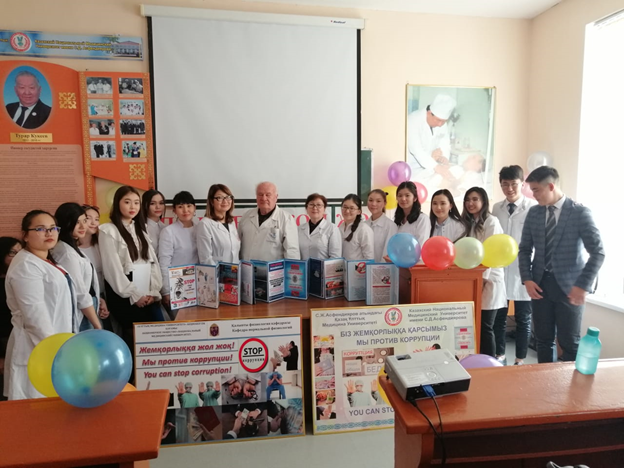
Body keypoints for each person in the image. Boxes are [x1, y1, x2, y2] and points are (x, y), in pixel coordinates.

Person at [519, 166, 604, 363]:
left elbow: (598, 252)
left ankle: (571, 383)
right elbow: (524, 249)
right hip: (540, 285)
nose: (533, 195)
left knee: (569, 342)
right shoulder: (534, 213)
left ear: (551, 186)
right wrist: (527, 279)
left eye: (536, 190)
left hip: (570, 288)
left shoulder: (580, 213)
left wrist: (582, 285)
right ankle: (545, 380)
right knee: (543, 340)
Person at [3, 211, 77, 400]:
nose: (49, 233)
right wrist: (55, 352)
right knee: (36, 408)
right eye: (40, 229)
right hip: (38, 348)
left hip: (55, 343)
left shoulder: (45, 261)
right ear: (25, 235)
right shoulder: (25, 266)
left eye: (53, 228)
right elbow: (35, 316)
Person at [99, 186, 163, 350]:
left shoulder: (140, 228)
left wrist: (153, 292)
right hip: (124, 294)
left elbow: (152, 262)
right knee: (135, 343)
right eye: (127, 202)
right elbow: (112, 269)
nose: (132, 206)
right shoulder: (108, 230)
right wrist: (134, 295)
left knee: (155, 341)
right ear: (117, 203)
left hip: (146, 291)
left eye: (136, 202)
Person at [491, 166, 538, 365]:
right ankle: (500, 355)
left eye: (513, 184)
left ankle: (520, 359)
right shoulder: (496, 208)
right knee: (499, 318)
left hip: (523, 271)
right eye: (505, 184)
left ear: (522, 184)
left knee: (523, 319)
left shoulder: (533, 207)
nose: (509, 188)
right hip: (500, 270)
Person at [462, 187, 507, 358]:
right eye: (468, 200)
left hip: (489, 279)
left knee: (486, 325)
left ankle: (490, 364)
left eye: (475, 199)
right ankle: (479, 360)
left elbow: (490, 252)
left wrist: (481, 279)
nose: (470, 203)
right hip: (474, 279)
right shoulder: (470, 223)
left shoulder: (491, 221)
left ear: (483, 201)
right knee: (477, 324)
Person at [51, 203, 103, 331]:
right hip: (82, 311)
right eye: (76, 222)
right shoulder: (67, 253)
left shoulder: (71, 247)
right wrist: (97, 325)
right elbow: (80, 293)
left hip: (87, 307)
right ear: (66, 223)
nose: (82, 226)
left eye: (84, 221)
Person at [238, 181, 300, 261]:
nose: (264, 198)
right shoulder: (246, 216)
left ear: (276, 197)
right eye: (260, 194)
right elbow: (238, 244)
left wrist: (291, 268)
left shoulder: (286, 219)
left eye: (268, 195)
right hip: (247, 267)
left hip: (273, 269)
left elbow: (292, 252)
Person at [159, 191, 198, 312]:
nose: (185, 210)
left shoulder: (201, 228)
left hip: (199, 284)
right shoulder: (168, 232)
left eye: (189, 206)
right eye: (180, 207)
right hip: (177, 286)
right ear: (174, 210)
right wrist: (166, 291)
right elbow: (164, 262)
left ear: (194, 208)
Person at [406, 94, 456, 186]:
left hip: (431, 166)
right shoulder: (413, 120)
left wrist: (444, 158)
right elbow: (416, 150)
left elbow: (445, 143)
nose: (440, 124)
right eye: (438, 120)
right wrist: (436, 167)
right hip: (413, 168)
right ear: (429, 113)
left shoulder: (441, 122)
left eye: (444, 121)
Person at [78, 205, 113, 332]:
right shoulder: (71, 250)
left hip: (105, 296)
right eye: (88, 218)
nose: (93, 223)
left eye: (97, 219)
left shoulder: (101, 244)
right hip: (85, 298)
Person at [196, 184, 240, 265]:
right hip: (216, 272)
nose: (225, 201)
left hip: (235, 270)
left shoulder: (231, 222)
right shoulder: (205, 224)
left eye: (228, 197)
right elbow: (205, 259)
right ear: (211, 201)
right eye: (219, 198)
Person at [0, 237, 22, 398]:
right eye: (12, 253)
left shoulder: (20, 279)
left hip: (18, 339)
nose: (17, 257)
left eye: (20, 252)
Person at [298, 193, 341, 260]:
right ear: (306, 208)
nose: (315, 208)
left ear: (324, 209)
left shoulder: (332, 229)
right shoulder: (299, 229)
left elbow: (335, 257)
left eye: (319, 205)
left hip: (324, 266)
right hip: (303, 266)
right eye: (311, 204)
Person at [394, 181, 431, 249]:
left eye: (407, 195)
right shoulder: (398, 220)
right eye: (400, 196)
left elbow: (421, 245)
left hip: (415, 256)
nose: (403, 199)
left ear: (415, 198)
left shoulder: (422, 219)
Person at [364, 189, 397, 262]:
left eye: (378, 201)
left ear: (384, 203)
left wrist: (379, 268)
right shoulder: (364, 225)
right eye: (370, 200)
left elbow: (387, 254)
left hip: (382, 267)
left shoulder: (390, 226)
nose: (373, 204)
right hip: (363, 267)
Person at [340, 194, 374, 261]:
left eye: (352, 208)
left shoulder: (364, 229)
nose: (347, 211)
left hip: (357, 267)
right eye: (345, 207)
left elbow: (369, 258)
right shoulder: (340, 228)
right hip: (341, 267)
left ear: (359, 211)